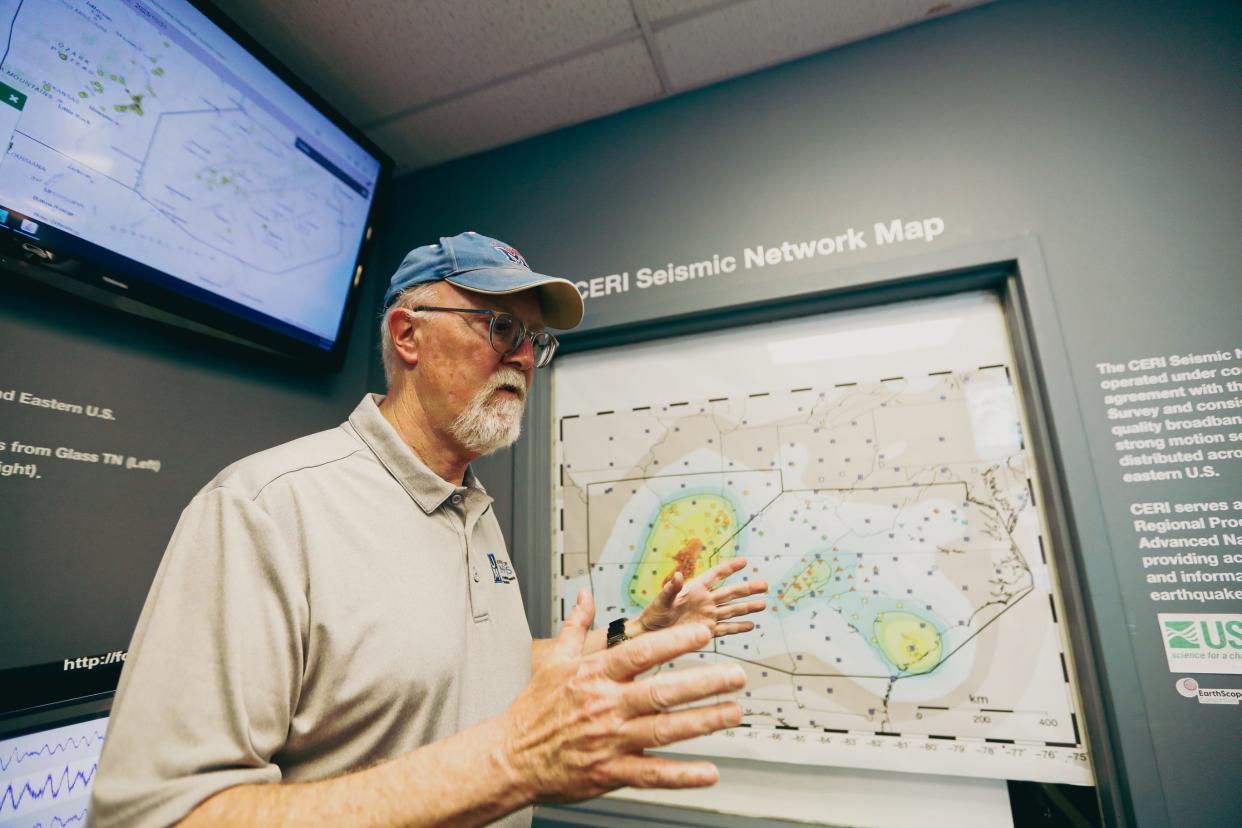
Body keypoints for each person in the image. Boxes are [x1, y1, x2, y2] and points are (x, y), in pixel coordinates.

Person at [88, 231, 769, 827]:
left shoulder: (470, 507)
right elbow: (160, 817)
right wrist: (510, 762)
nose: (525, 358)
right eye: (501, 326)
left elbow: (455, 668)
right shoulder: (267, 508)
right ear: (407, 334)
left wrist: (632, 635)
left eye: (534, 339)